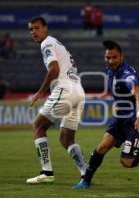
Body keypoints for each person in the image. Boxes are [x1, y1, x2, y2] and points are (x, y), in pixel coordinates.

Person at [72, 40, 139, 189]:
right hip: (122, 116)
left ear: (121, 56)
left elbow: (137, 93)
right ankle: (86, 181)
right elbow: (137, 93)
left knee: (127, 161)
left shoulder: (126, 73)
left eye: (114, 57)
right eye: (108, 57)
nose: (111, 60)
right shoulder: (110, 71)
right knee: (102, 148)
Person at [26, 16, 87, 184]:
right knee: (66, 139)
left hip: (65, 88)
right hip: (79, 91)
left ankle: (46, 172)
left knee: (38, 126)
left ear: (46, 28)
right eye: (31, 30)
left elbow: (54, 70)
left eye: (37, 28)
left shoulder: (47, 43)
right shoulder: (57, 43)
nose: (34, 32)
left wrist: (39, 92)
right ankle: (85, 173)